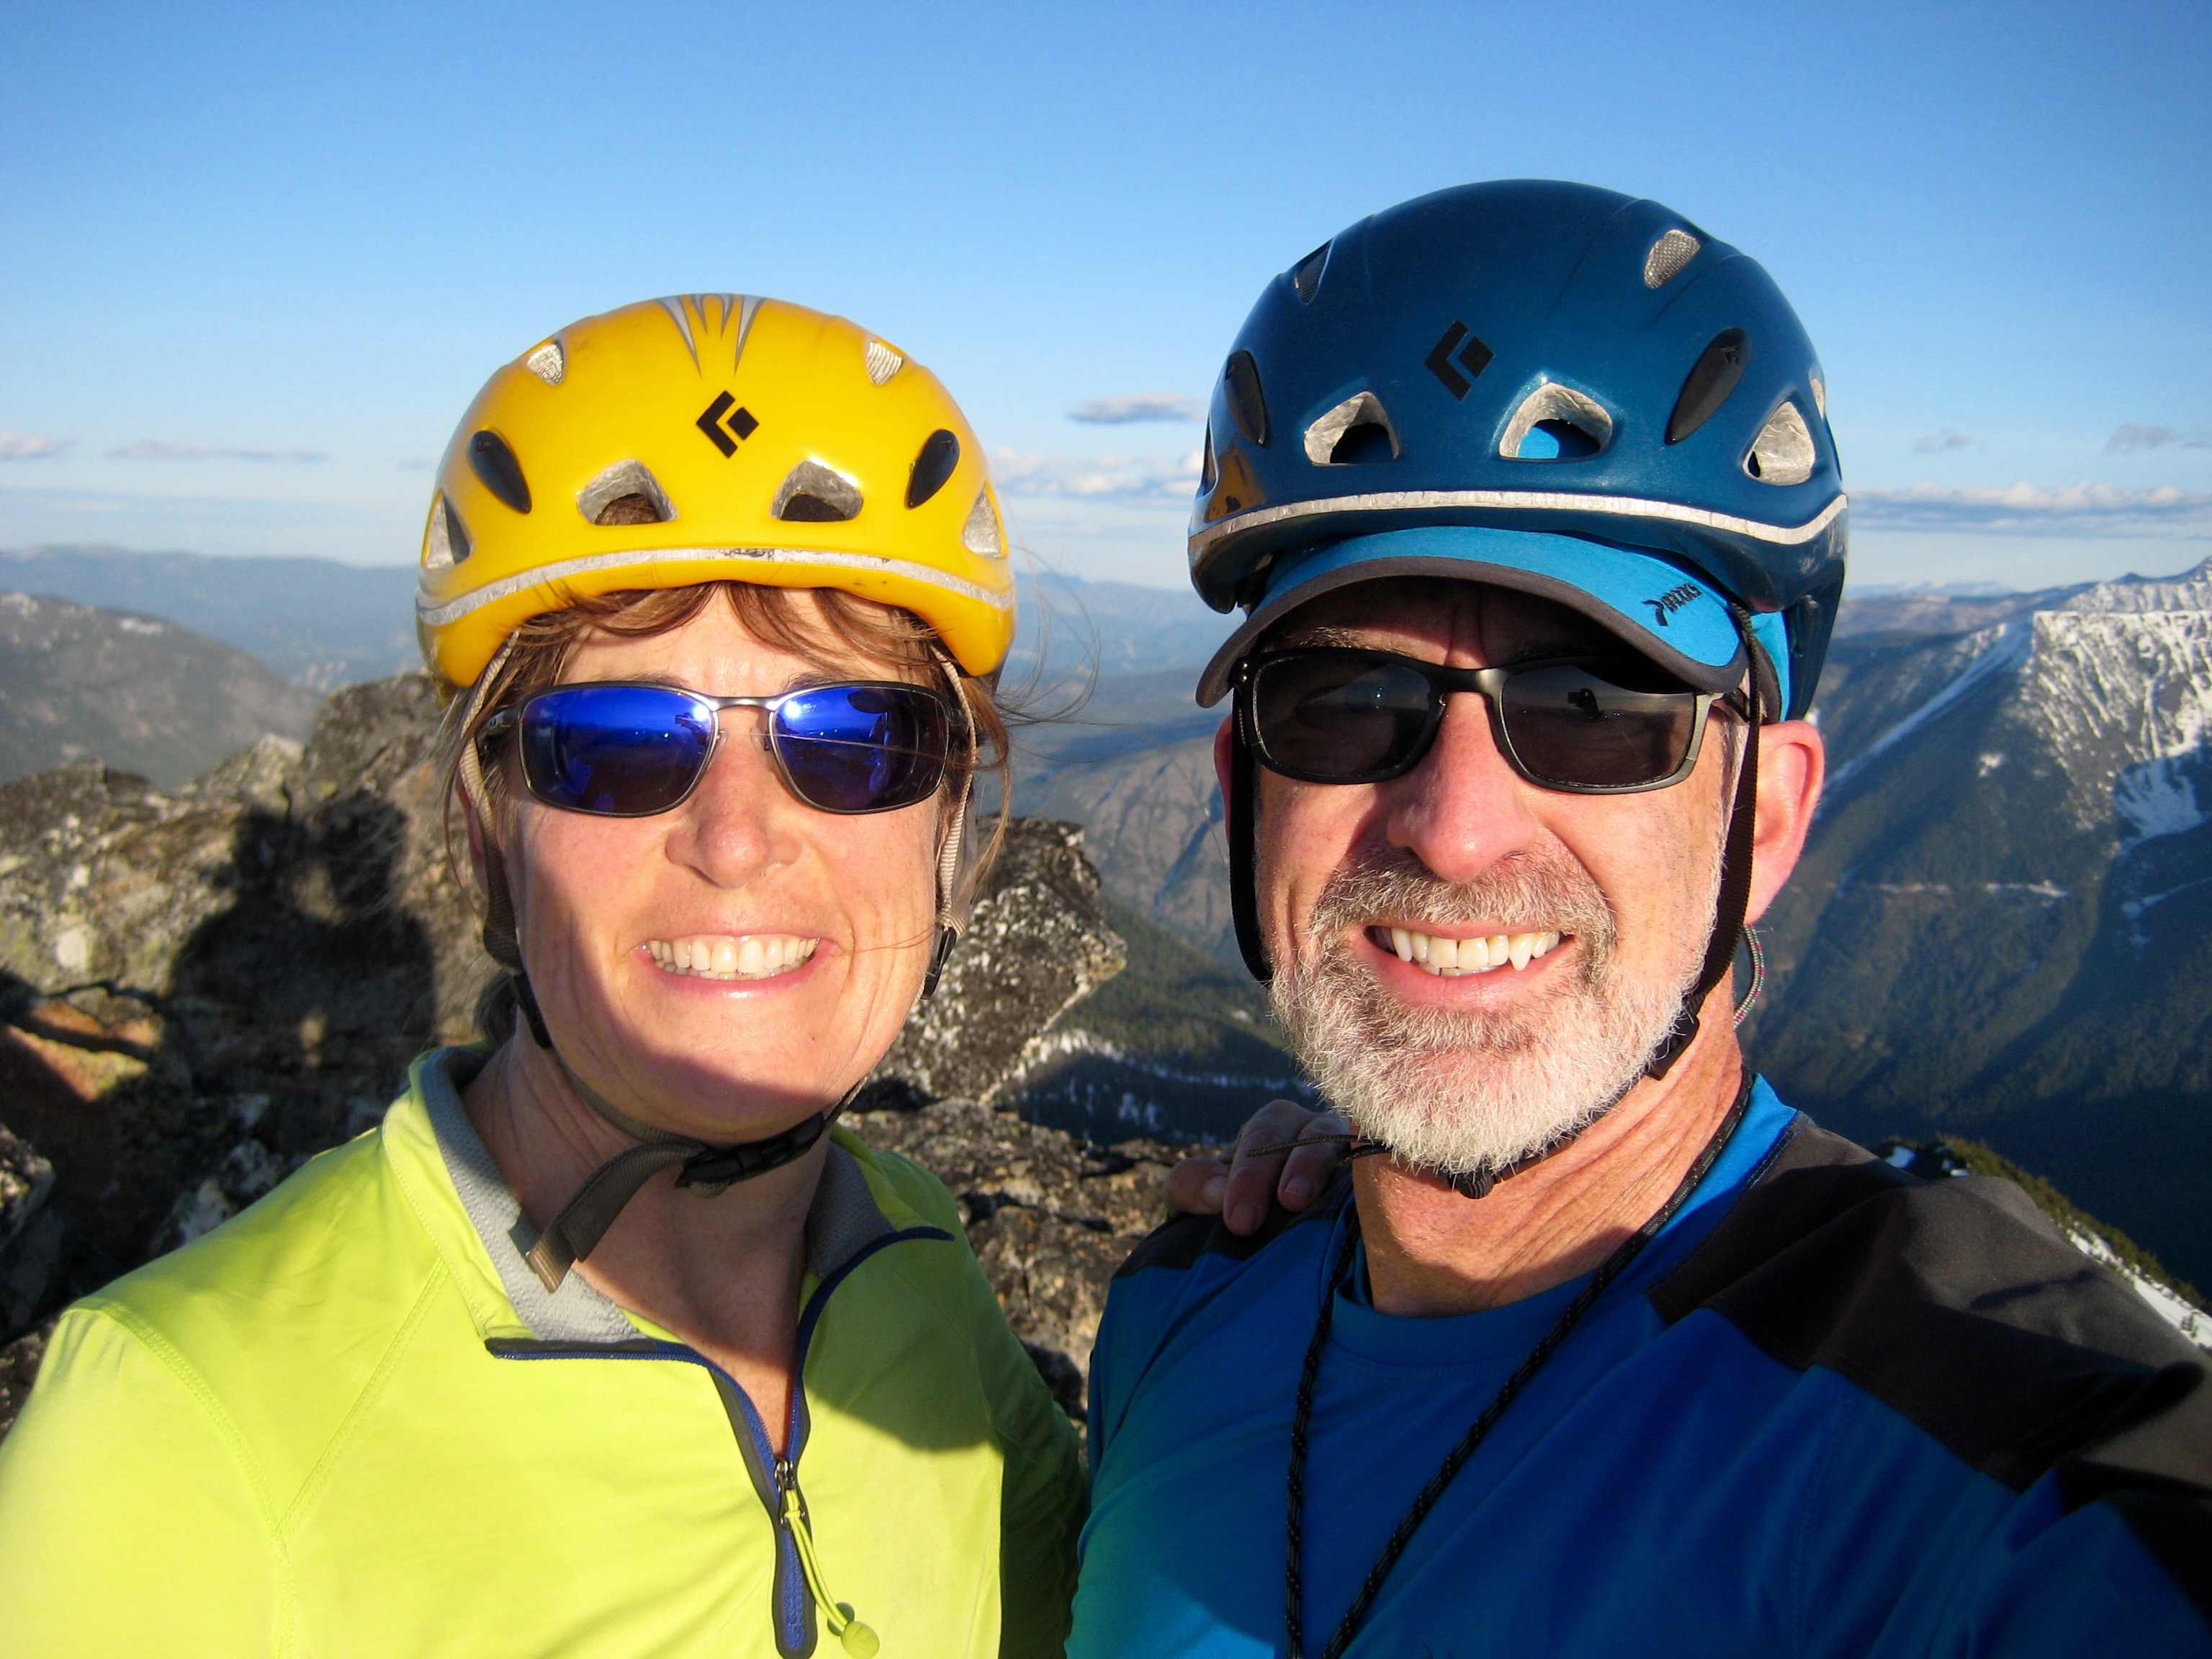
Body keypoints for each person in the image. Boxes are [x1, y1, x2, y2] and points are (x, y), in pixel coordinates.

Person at [1071, 181, 2212, 1657]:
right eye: (1345, 702)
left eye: (1594, 707)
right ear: (1244, 794)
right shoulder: (1177, 1318)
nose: (1454, 827)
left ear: (1769, 819)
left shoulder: (1981, 1435)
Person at [0, 295, 1088, 1657]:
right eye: (619, 742)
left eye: (857, 738)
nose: (737, 840)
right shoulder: (173, 1431)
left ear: (945, 822)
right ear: (487, 834)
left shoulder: (914, 1260)